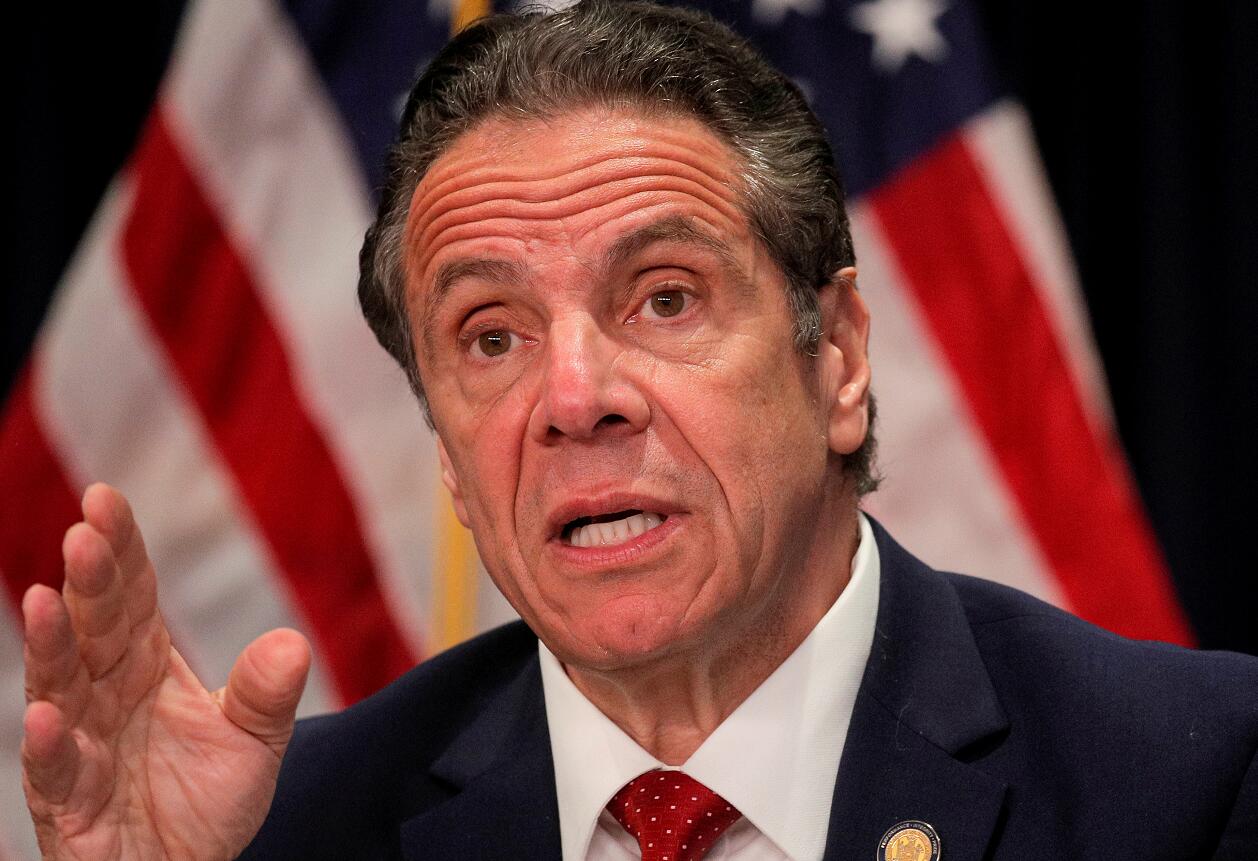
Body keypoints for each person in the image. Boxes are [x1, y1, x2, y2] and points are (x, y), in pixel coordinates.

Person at [19, 2, 1258, 859]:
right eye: (491, 336)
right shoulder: (285, 832)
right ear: (446, 455)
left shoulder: (1188, 781)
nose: (574, 399)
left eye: (663, 299)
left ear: (838, 357)